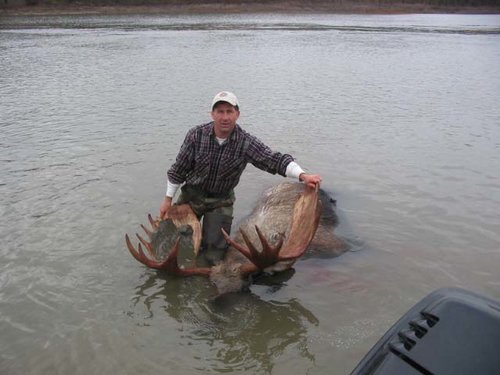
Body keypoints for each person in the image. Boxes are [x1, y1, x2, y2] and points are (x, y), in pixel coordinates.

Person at [159, 91, 322, 264]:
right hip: (191, 198)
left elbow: (273, 160)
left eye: (229, 111)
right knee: (173, 248)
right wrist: (168, 200)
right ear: (212, 114)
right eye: (220, 112)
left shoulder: (245, 142)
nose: (225, 117)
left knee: (214, 257)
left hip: (220, 201)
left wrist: (302, 175)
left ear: (237, 114)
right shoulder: (195, 135)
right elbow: (178, 169)